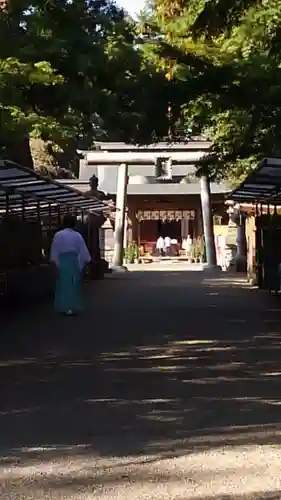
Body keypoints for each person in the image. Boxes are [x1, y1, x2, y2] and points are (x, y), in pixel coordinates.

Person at [50, 214, 91, 315]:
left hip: (62, 261)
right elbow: (83, 251)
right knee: (73, 284)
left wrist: (55, 262)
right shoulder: (77, 235)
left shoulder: (58, 235)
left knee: (63, 285)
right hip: (73, 261)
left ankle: (63, 306)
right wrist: (82, 264)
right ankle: (73, 306)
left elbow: (54, 250)